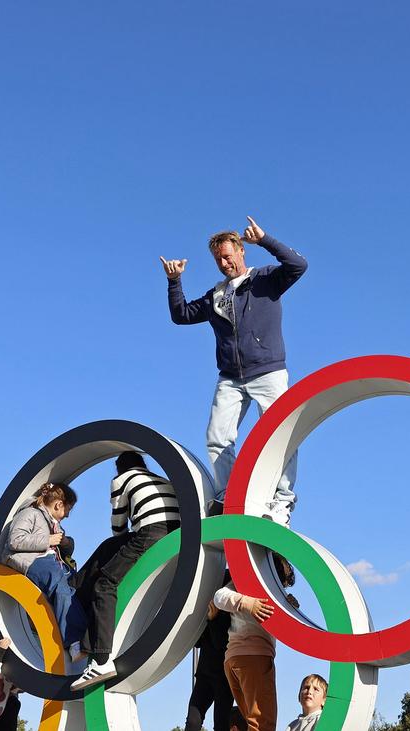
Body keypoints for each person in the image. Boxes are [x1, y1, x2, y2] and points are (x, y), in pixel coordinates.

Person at [162, 216, 307, 525]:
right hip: (230, 378)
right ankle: (232, 496)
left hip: (268, 372)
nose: (224, 263)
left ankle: (281, 502)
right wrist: (174, 282)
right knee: (217, 437)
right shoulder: (216, 295)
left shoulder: (265, 279)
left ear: (241, 250)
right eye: (218, 259)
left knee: (279, 433)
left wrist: (265, 240)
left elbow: (298, 265)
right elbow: (181, 315)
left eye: (228, 256)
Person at [70, 451, 181, 690]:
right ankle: (84, 629)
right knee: (107, 548)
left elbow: (118, 526)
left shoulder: (122, 479)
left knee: (104, 584)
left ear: (119, 467)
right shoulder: (160, 479)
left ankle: (101, 660)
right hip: (175, 536)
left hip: (150, 534)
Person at [213, 553, 299, 731]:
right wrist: (247, 603)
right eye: (282, 584)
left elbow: (220, 597)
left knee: (251, 721)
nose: (281, 588)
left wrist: (289, 608)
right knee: (262, 724)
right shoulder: (252, 587)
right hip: (255, 657)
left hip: (233, 658)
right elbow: (219, 597)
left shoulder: (247, 584)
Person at [2, 482, 86, 661]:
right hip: (32, 560)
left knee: (79, 585)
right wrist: (47, 540)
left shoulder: (53, 522)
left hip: (52, 561)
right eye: (68, 510)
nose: (67, 515)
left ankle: (85, 633)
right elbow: (15, 540)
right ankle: (73, 641)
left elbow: (64, 547)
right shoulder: (30, 513)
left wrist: (65, 542)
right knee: (60, 587)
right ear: (58, 505)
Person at [186, 585, 234, 731]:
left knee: (221, 724)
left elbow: (221, 643)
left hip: (225, 677)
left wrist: (213, 620)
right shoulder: (208, 602)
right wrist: (208, 619)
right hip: (205, 674)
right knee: (193, 722)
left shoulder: (231, 605)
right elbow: (197, 642)